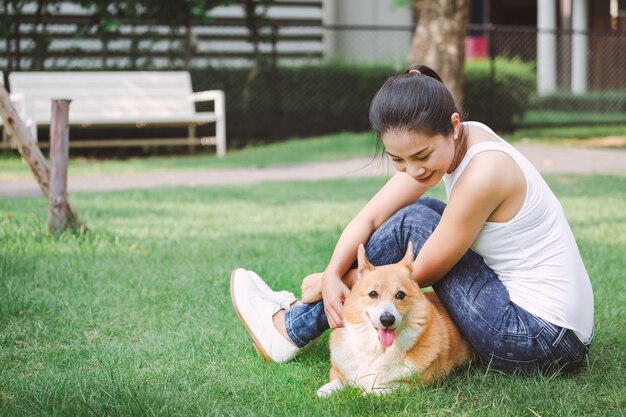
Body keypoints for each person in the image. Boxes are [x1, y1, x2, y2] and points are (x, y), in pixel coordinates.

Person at [230, 64, 594, 374]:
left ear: (453, 125)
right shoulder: (454, 139)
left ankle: (289, 328)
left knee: (417, 219)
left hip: (540, 339)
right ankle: (292, 324)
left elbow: (422, 273)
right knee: (419, 214)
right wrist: (329, 276)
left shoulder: (484, 172)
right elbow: (371, 216)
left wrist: (350, 282)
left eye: (420, 156)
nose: (412, 170)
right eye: (398, 160)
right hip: (550, 331)